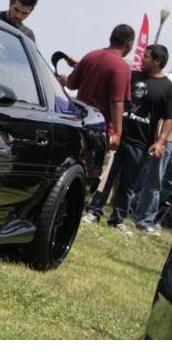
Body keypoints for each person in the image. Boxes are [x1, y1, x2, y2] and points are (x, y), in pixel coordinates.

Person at [58, 24, 135, 222]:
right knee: (92, 173)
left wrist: (63, 78)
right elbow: (117, 102)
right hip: (100, 129)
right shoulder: (121, 67)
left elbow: (72, 83)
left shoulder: (91, 56)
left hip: (78, 121)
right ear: (129, 44)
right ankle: (74, 212)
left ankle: (60, 205)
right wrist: (117, 133)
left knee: (69, 166)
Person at [108, 44, 172, 236]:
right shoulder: (161, 81)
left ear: (157, 61)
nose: (142, 58)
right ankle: (140, 219)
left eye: (146, 56)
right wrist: (160, 141)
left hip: (153, 140)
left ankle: (136, 217)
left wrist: (160, 141)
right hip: (147, 138)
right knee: (149, 181)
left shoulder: (166, 85)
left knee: (157, 184)